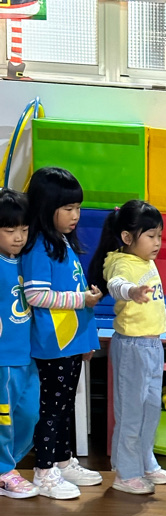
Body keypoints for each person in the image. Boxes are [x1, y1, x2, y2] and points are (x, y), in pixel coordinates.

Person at [21, 166, 103, 500]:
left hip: (71, 340)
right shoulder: (38, 245)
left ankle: (63, 461)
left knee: (65, 405)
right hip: (52, 343)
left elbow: (76, 290)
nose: (75, 215)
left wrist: (88, 338)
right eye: (68, 208)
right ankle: (44, 472)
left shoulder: (62, 242)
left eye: (78, 208)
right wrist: (81, 299)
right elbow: (36, 295)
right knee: (51, 409)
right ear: (46, 206)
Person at [88, 200, 166, 494]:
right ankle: (126, 473)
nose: (157, 242)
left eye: (160, 236)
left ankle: (145, 460)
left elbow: (156, 299)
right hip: (132, 347)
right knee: (131, 412)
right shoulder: (120, 262)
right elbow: (117, 285)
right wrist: (132, 291)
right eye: (151, 236)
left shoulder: (147, 261)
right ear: (128, 237)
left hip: (153, 345)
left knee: (151, 409)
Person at [0, 188, 38, 498]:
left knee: (30, 413)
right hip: (4, 358)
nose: (18, 237)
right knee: (4, 417)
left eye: (24, 229)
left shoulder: (28, 261)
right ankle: (4, 471)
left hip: (29, 355)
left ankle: (7, 463)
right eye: (10, 230)